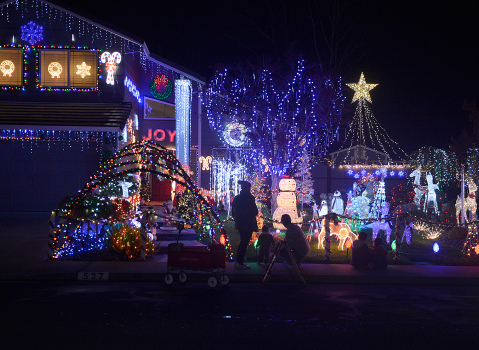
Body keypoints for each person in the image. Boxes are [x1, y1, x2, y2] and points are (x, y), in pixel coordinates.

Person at [232, 180, 258, 269]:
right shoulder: (250, 198)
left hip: (240, 223)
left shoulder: (236, 198)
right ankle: (240, 262)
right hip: (248, 223)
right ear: (248, 189)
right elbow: (254, 211)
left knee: (242, 242)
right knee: (244, 242)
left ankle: (238, 261)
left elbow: (233, 211)